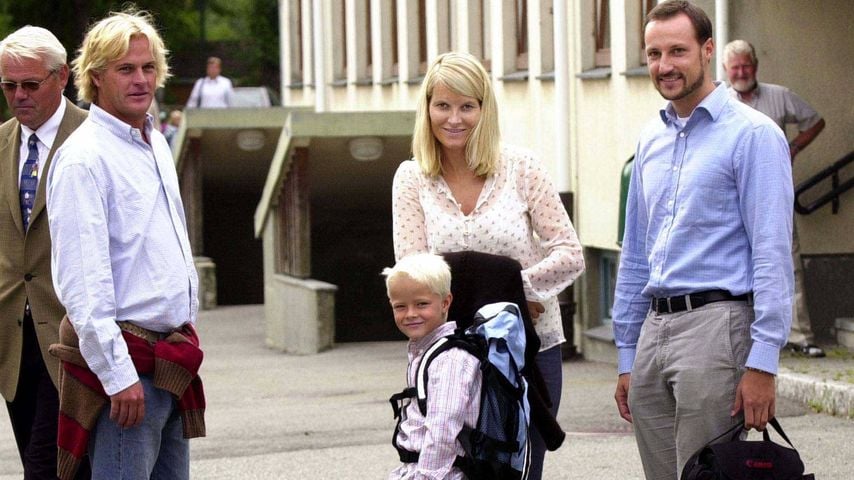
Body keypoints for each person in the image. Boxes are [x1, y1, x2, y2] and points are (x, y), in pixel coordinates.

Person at [612, 1, 794, 478]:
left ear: (707, 50)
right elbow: (634, 252)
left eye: (677, 51)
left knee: (708, 473)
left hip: (718, 330)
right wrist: (628, 353)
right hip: (654, 330)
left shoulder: (754, 136)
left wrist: (763, 361)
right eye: (653, 54)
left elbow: (772, 251)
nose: (664, 65)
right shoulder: (650, 138)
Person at [391, 51, 585, 480]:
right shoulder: (411, 178)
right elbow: (411, 273)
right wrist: (506, 294)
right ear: (427, 109)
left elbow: (569, 253)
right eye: (442, 105)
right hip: (447, 354)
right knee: (450, 468)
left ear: (485, 109)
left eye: (467, 106)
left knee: (519, 467)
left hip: (527, 349)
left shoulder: (522, 167)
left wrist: (524, 294)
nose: (454, 118)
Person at [46, 9, 204, 480]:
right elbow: (82, 285)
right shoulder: (83, 159)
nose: (141, 80)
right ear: (95, 78)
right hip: (129, 373)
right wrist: (118, 378)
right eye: (125, 69)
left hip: (171, 362)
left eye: (148, 67)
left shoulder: (154, 140)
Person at [0, 25, 89, 479]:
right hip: (13, 342)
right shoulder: (0, 143)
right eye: (8, 85)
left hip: (75, 337)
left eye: (30, 84)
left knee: (47, 466)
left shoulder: (95, 137)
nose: (19, 95)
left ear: (62, 77)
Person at [723, 39, 826, 358]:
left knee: (786, 262)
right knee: (737, 265)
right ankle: (747, 338)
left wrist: (793, 148)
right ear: (726, 71)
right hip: (732, 200)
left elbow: (815, 121)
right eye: (735, 67)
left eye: (746, 65)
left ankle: (800, 334)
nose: (741, 72)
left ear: (755, 65)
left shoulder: (778, 96)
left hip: (774, 197)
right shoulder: (720, 101)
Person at [383, 252, 481, 479]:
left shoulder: (450, 360)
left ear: (446, 302)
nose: (410, 314)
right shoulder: (426, 351)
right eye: (400, 307)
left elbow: (442, 432)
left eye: (422, 304)